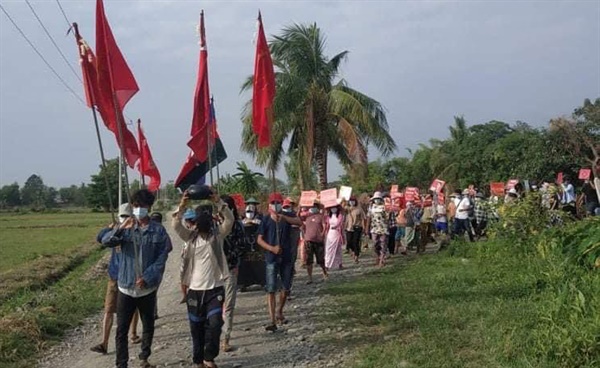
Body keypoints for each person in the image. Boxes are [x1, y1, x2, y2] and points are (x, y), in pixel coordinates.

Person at [101, 190, 172, 368]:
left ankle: (144, 357)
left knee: (148, 325)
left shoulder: (158, 230)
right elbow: (106, 241)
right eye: (136, 206)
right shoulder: (126, 228)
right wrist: (119, 228)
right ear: (132, 207)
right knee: (122, 330)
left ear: (149, 207)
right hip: (125, 286)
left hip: (147, 288)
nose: (139, 209)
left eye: (143, 206)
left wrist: (148, 276)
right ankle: (121, 363)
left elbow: (162, 256)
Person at [173, 190, 234, 368]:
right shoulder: (190, 237)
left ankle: (209, 357)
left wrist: (218, 201)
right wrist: (182, 205)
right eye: (201, 220)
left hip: (214, 289)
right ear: (196, 223)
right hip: (194, 290)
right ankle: (198, 360)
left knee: (215, 324)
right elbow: (176, 224)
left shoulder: (217, 236)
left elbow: (229, 220)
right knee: (196, 328)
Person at [91, 203, 141, 354]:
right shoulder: (115, 232)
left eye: (128, 217)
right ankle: (104, 342)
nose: (125, 220)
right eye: (123, 217)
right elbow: (100, 238)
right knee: (108, 309)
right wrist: (111, 228)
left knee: (133, 307)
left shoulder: (137, 232)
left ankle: (133, 334)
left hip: (131, 276)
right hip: (115, 276)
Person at [257, 192, 303, 332]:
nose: (275, 205)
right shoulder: (265, 220)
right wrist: (271, 248)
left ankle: (279, 311)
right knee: (271, 289)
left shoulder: (286, 216)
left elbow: (299, 222)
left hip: (286, 257)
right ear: (269, 204)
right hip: (271, 257)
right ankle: (272, 319)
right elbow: (259, 239)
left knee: (286, 287)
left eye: (278, 203)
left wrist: (284, 218)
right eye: (273, 203)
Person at [219, 195, 246, 353]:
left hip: (230, 269)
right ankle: (215, 337)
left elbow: (241, 247)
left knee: (228, 305)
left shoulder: (237, 226)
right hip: (213, 272)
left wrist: (234, 262)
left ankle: (225, 339)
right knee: (215, 306)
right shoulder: (213, 224)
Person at [303, 200, 328, 284]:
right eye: (311, 206)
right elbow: (298, 218)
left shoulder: (321, 216)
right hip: (308, 240)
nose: (313, 208)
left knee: (321, 259)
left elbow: (325, 226)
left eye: (315, 206)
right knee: (308, 260)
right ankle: (310, 278)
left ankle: (325, 273)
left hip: (318, 240)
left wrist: (322, 233)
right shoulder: (306, 216)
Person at [367, 191, 389, 267]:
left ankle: (382, 260)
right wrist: (367, 228)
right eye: (375, 199)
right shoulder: (371, 207)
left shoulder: (384, 207)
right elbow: (369, 217)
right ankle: (377, 257)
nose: (377, 200)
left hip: (383, 228)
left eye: (378, 199)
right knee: (375, 244)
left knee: (383, 244)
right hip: (374, 228)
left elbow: (388, 217)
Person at [344, 196, 366, 263]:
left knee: (356, 242)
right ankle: (352, 251)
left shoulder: (359, 209)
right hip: (348, 228)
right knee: (349, 242)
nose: (352, 202)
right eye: (350, 201)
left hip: (357, 227)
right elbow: (341, 210)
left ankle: (356, 256)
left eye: (353, 201)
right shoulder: (347, 209)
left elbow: (363, 218)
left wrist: (364, 227)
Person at [324, 202, 345, 270]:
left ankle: (339, 264)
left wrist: (335, 227)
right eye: (332, 207)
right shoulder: (328, 216)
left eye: (334, 207)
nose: (333, 209)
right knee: (328, 249)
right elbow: (326, 224)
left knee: (338, 249)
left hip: (337, 233)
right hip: (330, 233)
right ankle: (327, 264)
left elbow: (340, 223)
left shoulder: (340, 215)